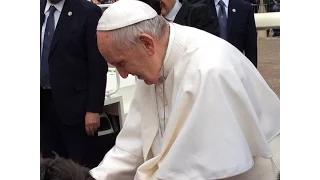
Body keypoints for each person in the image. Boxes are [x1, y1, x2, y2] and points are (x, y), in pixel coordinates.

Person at [90, 0, 280, 179]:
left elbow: (201, 169)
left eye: (121, 63)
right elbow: (133, 145)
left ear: (147, 43)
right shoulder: (153, 60)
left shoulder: (209, 70)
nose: (123, 75)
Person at [40, 0, 107, 168]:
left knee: (81, 167)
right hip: (44, 107)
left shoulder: (87, 12)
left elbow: (98, 64)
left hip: (77, 110)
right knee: (51, 166)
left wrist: (94, 108)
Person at [189, 0, 258, 67]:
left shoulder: (244, 8)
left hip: (237, 69)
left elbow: (251, 47)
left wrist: (252, 76)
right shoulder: (197, 9)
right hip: (207, 71)